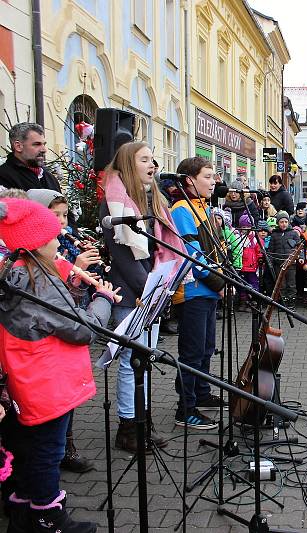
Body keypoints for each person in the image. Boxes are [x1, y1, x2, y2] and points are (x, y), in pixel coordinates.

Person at [0, 198, 116, 533]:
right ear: (36, 243)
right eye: (53, 236)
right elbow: (81, 331)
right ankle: (47, 516)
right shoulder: (38, 282)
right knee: (48, 451)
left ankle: (22, 512)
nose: (60, 240)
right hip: (48, 383)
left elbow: (47, 319)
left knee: (30, 450)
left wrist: (74, 291)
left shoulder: (16, 273)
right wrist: (103, 301)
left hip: (28, 379)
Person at [99, 141, 187, 446]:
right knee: (131, 360)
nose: (153, 165)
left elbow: (160, 247)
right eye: (145, 159)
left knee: (144, 358)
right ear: (127, 164)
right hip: (133, 292)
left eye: (154, 160)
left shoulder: (153, 201)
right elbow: (122, 254)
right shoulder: (116, 203)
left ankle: (143, 419)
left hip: (153, 288)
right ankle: (129, 426)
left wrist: (162, 288)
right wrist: (147, 291)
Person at [171, 157, 229, 430]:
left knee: (206, 348)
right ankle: (186, 408)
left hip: (207, 291)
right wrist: (220, 282)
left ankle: (202, 394)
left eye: (214, 176)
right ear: (189, 180)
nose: (214, 181)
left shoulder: (202, 207)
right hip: (193, 290)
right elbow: (192, 254)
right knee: (192, 352)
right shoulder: (183, 209)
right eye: (208, 176)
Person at [0, 123, 61, 192]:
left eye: (44, 144)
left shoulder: (51, 179)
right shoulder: (3, 176)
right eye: (37, 144)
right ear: (18, 146)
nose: (44, 150)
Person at [268, 211, 301, 309]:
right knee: (281, 284)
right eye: (281, 222)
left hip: (291, 264)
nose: (284, 224)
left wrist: (300, 258)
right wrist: (270, 261)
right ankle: (283, 303)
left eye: (286, 222)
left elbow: (299, 247)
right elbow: (270, 250)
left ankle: (291, 303)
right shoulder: (274, 235)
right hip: (278, 264)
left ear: (289, 222)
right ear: (278, 223)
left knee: (291, 284)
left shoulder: (293, 233)